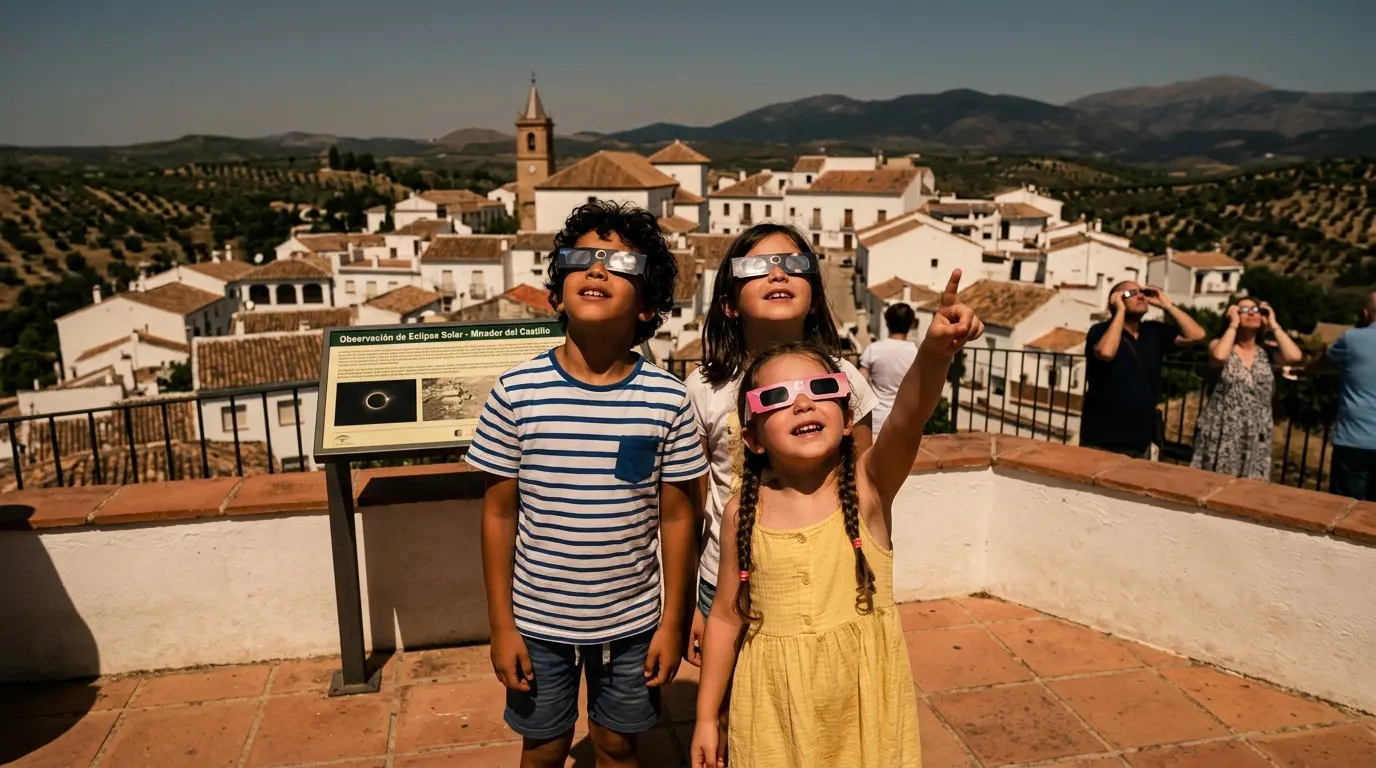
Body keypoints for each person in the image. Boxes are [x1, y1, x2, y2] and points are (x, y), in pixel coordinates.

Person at [690, 271, 984, 768]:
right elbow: (724, 616)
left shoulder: (870, 487)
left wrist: (935, 352)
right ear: (753, 437)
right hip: (772, 707)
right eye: (776, 397)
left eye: (822, 387)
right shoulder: (745, 510)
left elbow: (909, 417)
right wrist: (704, 716)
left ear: (848, 418)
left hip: (863, 703)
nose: (802, 401)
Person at [467, 201, 709, 768]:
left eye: (619, 263)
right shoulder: (516, 392)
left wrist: (672, 623)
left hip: (633, 620)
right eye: (582, 259)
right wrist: (502, 626)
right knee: (544, 746)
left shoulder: (667, 399)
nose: (597, 270)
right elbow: (499, 514)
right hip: (536, 617)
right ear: (556, 293)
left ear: (648, 305)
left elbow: (678, 519)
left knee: (619, 745)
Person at [684, 223, 879, 673]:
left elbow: (865, 484)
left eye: (795, 265)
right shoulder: (705, 388)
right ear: (729, 303)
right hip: (726, 583)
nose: (778, 275)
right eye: (756, 267)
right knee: (734, 714)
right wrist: (694, 602)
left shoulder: (844, 382)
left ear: (813, 292)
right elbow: (696, 504)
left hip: (827, 577)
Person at [1080, 281, 1206, 458]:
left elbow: (1197, 335)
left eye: (1142, 292)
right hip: (1102, 438)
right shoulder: (1099, 331)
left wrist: (1167, 305)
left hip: (1141, 440)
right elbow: (1106, 352)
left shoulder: (1153, 331)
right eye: (1131, 293)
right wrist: (1120, 312)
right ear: (1115, 301)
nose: (1140, 296)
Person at [1190, 298, 1302, 479]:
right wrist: (1233, 324)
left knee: (1249, 489)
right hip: (1223, 430)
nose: (1251, 313)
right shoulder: (1220, 346)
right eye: (1243, 309)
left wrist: (1273, 324)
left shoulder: (1268, 352)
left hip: (1257, 432)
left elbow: (1294, 357)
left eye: (1256, 309)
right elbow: (1219, 356)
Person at [1316, 291, 1376, 500]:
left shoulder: (1352, 339)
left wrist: (1300, 371)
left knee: (1345, 509)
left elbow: (1322, 363)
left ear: (1365, 313)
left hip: (1354, 439)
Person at [859, 302, 920, 434]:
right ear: (910, 325)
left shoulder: (873, 350)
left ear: (887, 323)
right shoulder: (916, 353)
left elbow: (860, 383)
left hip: (876, 420)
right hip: (905, 421)